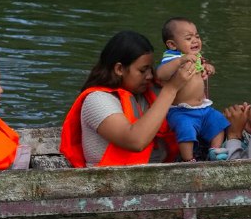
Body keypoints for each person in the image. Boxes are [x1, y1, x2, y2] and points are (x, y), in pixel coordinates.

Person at [60, 30, 195, 168]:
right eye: (143, 70)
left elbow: (195, 110)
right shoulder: (97, 100)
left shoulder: (149, 93)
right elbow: (135, 141)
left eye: (150, 69)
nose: (149, 76)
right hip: (109, 184)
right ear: (119, 69)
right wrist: (171, 89)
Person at [156, 17, 229, 162]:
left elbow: (203, 68)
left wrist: (209, 68)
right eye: (189, 38)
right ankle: (188, 159)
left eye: (197, 36)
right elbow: (160, 73)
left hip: (203, 108)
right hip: (182, 111)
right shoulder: (172, 58)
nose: (195, 40)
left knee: (219, 121)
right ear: (172, 44)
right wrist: (180, 61)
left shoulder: (196, 57)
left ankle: (215, 150)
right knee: (185, 129)